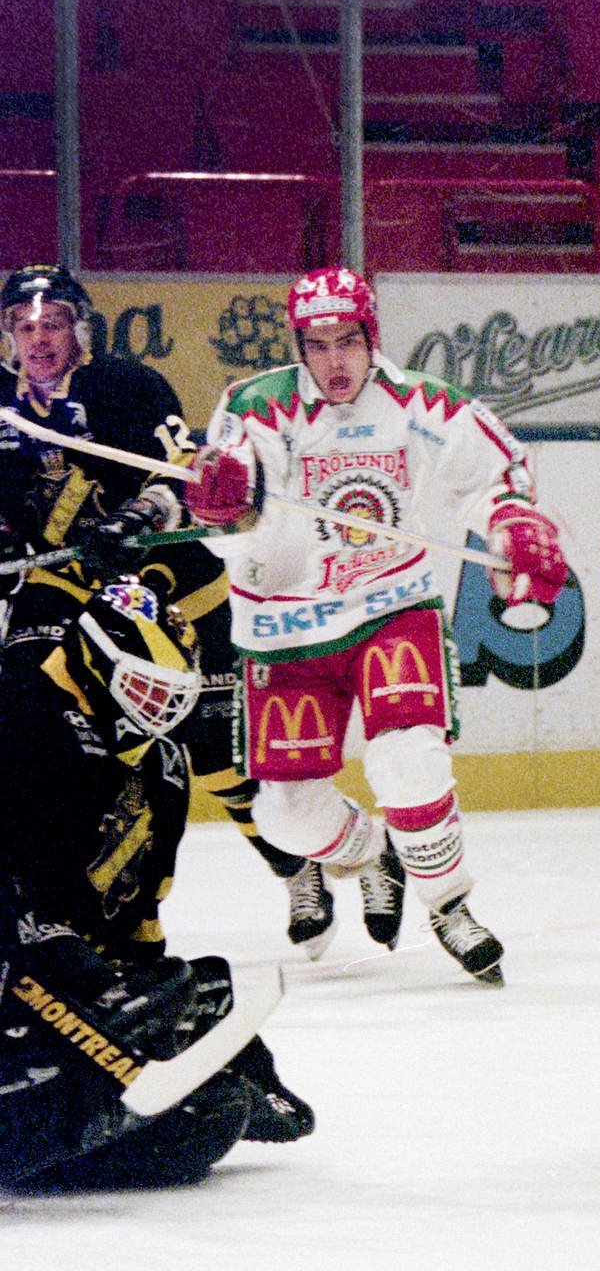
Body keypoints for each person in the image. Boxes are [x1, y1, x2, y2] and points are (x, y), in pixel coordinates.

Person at [0, 262, 403, 959]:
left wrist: (135, 518)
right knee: (28, 709)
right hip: (66, 584)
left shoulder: (127, 386)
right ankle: (57, 892)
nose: (39, 340)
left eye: (54, 324)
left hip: (168, 580)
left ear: (80, 330)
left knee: (217, 757)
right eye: (24, 326)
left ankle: (313, 865)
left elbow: (184, 474)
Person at [180, 267, 570, 985]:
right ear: (299, 346)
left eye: (348, 342)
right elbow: (227, 518)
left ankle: (450, 905)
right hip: (283, 629)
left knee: (408, 759)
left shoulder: (417, 401)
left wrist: (513, 519)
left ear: (372, 337)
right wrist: (222, 507)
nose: (335, 361)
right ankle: (372, 852)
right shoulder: (254, 406)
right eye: (318, 345)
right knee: (287, 817)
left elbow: (499, 469)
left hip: (391, 607)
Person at [0, 581, 311, 1190]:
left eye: (172, 697)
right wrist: (50, 952)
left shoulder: (161, 769)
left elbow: (138, 919)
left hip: (63, 986)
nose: (159, 712)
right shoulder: (19, 711)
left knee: (208, 1109)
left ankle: (74, 1106)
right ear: (96, 658)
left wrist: (169, 1011)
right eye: (146, 690)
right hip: (19, 969)